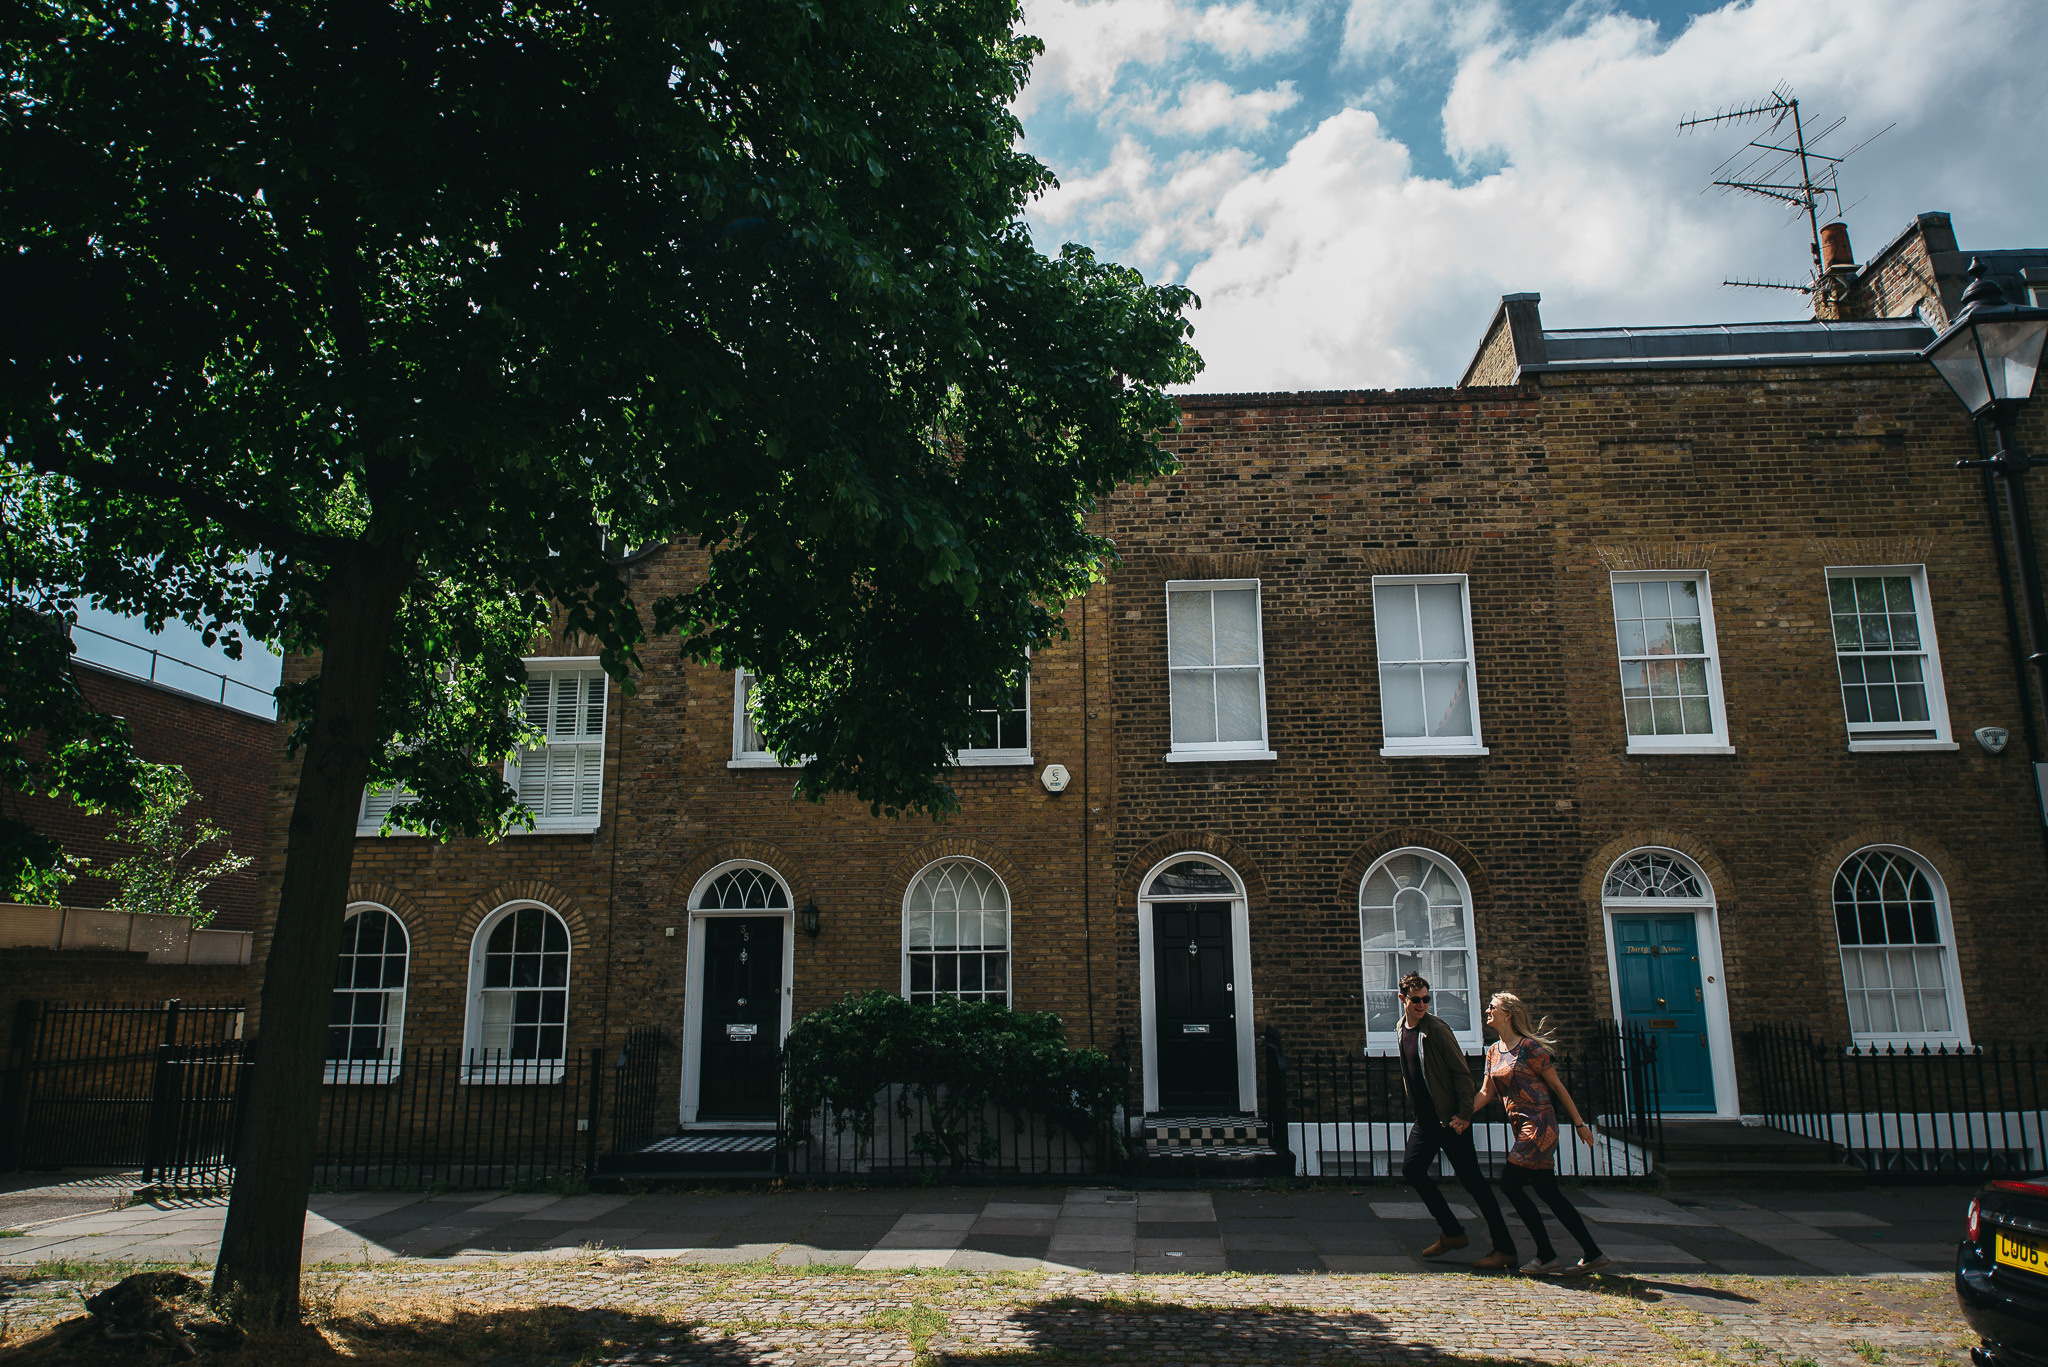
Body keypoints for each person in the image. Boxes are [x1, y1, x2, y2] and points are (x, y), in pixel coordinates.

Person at [1453, 992, 1610, 1276]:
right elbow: (1486, 1093)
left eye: (1493, 1007)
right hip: (1521, 1127)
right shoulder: (1493, 1051)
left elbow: (1558, 1088)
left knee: (1510, 1185)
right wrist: (1464, 1116)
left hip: (1539, 1126)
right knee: (1547, 1192)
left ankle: (1546, 1255)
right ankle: (1593, 1253)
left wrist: (1580, 1124)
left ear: (1508, 1014)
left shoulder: (1530, 1049)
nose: (1487, 1010)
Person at [1393, 971, 1518, 1270]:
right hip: (1425, 1121)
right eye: (1416, 1000)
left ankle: (1505, 1249)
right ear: (1403, 999)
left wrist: (1464, 1114)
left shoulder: (1436, 1029)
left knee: (1473, 1182)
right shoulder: (1401, 1027)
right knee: (1412, 1170)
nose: (1422, 1005)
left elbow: (1461, 1073)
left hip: (1450, 1120)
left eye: (1426, 999)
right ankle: (1452, 1232)